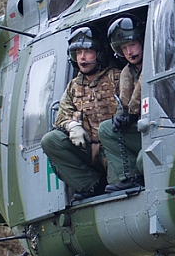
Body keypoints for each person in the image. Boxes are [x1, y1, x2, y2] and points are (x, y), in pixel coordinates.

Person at [41, 27, 121, 201]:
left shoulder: (117, 77)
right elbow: (61, 116)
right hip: (88, 149)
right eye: (78, 53)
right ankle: (91, 185)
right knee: (50, 140)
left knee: (118, 188)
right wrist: (72, 125)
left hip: (116, 148)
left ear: (99, 53)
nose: (82, 58)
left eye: (87, 52)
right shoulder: (74, 87)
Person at [99, 15, 144, 193]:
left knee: (144, 160)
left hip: (164, 129)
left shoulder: (161, 63)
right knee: (106, 129)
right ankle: (130, 177)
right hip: (141, 131)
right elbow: (123, 106)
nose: (129, 52)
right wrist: (121, 118)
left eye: (132, 45)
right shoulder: (127, 73)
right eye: (124, 48)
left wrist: (133, 115)